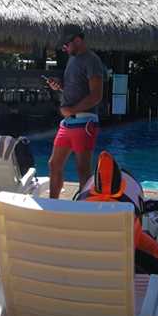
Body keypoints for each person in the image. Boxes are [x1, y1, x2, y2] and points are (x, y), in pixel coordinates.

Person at [45, 24, 105, 199]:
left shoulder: (92, 60)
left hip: (85, 121)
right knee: (54, 164)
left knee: (82, 169)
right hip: (69, 121)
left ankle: (83, 211)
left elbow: (96, 96)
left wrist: (70, 109)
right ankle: (53, 205)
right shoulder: (73, 59)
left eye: (66, 44)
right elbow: (76, 90)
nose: (64, 48)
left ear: (77, 40)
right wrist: (60, 86)